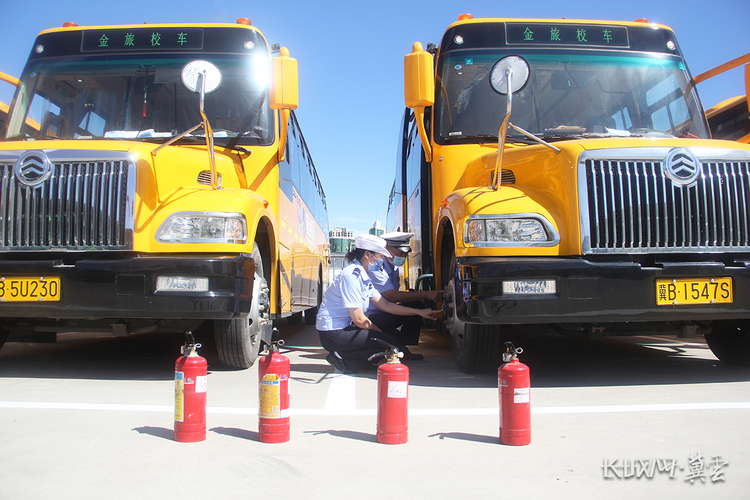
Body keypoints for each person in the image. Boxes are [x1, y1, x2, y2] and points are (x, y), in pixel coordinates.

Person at [316, 234, 439, 373]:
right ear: (368, 254)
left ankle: (356, 358)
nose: (382, 260)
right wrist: (384, 336)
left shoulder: (363, 276)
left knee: (388, 343)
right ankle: (341, 355)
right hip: (333, 334)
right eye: (380, 256)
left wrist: (420, 312)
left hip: (345, 329)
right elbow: (359, 319)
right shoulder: (352, 276)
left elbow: (386, 305)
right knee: (389, 345)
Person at [365, 232, 443, 360]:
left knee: (416, 304)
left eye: (405, 254)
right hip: (371, 316)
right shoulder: (377, 267)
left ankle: (403, 345)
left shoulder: (392, 267)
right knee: (395, 327)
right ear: (388, 251)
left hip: (385, 310)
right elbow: (392, 296)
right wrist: (425, 294)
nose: (403, 257)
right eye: (400, 254)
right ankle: (399, 345)